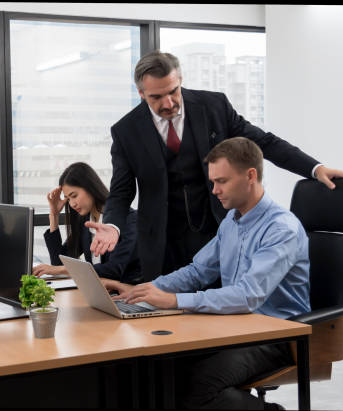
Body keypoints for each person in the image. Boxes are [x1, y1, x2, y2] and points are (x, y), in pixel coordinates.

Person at [87, 50, 343, 281]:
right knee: (168, 317)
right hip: (161, 243)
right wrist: (114, 226)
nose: (168, 103)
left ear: (180, 81)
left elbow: (265, 142)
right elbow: (121, 192)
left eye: (173, 92)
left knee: (218, 312)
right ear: (141, 92)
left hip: (217, 232)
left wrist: (315, 169)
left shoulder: (213, 106)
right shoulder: (126, 130)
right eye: (157, 97)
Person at [101, 137, 310, 409]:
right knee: (155, 368)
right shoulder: (231, 223)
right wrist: (146, 290)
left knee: (197, 386)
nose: (214, 190)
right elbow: (198, 270)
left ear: (250, 176)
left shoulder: (281, 229)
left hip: (275, 337)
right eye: (213, 182)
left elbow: (248, 296)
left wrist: (175, 301)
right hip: (234, 327)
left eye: (221, 181)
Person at [32, 162, 142, 284]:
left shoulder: (127, 219)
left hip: (128, 295)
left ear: (90, 187)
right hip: (100, 291)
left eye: (74, 196)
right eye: (68, 199)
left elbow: (114, 270)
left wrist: (60, 269)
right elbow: (59, 263)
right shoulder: (86, 220)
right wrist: (54, 215)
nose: (72, 204)